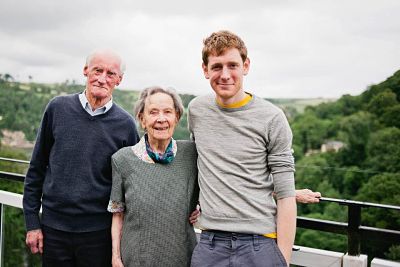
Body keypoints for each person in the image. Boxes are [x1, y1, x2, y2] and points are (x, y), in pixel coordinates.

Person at [188, 30, 296, 267]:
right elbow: (197, 165)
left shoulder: (272, 118)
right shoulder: (197, 110)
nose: (225, 75)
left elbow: (286, 195)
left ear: (245, 66)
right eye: (217, 66)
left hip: (260, 245)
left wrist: (283, 259)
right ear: (205, 70)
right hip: (210, 243)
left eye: (232, 65)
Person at [23, 49, 139, 266]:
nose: (102, 78)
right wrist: (32, 223)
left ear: (119, 80)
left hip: (99, 234)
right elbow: (36, 168)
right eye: (97, 70)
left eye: (111, 74)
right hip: (53, 230)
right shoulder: (57, 108)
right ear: (86, 71)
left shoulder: (126, 125)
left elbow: (132, 184)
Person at [108, 86, 199, 267]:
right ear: (142, 119)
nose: (161, 119)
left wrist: (200, 209)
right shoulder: (122, 159)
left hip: (181, 257)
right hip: (136, 258)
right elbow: (117, 214)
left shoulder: (191, 154)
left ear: (177, 118)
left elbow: (214, 188)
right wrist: (116, 257)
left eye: (168, 112)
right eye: (153, 112)